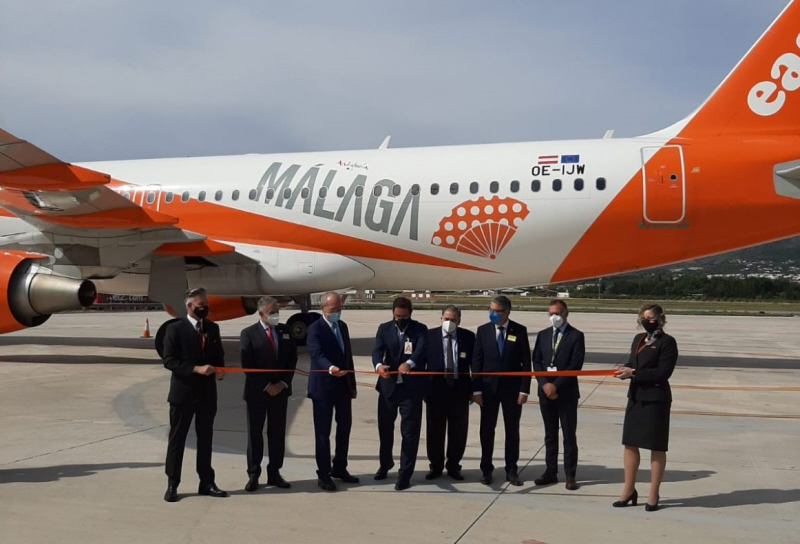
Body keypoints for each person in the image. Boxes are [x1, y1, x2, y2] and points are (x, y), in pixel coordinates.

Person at [162, 287, 227, 502]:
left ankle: (206, 481)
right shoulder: (175, 329)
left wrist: (220, 371)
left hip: (207, 394)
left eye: (206, 304)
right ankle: (173, 483)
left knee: (206, 439)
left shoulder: (212, 328)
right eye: (201, 305)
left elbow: (218, 357)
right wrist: (195, 369)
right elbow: (169, 361)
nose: (205, 308)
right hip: (183, 393)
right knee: (177, 439)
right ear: (189, 306)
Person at [613, 304, 678, 512]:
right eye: (642, 317)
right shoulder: (639, 339)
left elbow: (663, 372)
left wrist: (633, 373)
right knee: (630, 444)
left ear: (659, 319)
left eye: (649, 318)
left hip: (656, 399)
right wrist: (625, 369)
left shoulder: (667, 342)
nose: (645, 321)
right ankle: (628, 489)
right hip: (636, 397)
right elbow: (633, 363)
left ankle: (653, 493)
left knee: (656, 446)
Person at [240, 296, 298, 492]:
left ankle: (275, 472)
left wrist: (283, 383)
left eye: (277, 312)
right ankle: (253, 473)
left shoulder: (285, 331)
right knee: (255, 434)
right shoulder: (248, 333)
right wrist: (266, 385)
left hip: (280, 391)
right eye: (272, 313)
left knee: (277, 433)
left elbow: (292, 360)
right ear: (261, 314)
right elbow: (247, 364)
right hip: (257, 392)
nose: (276, 316)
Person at [472, 295, 532, 486]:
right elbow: (477, 362)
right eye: (491, 310)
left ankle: (511, 469)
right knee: (487, 430)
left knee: (512, 430)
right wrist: (476, 390)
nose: (493, 314)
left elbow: (526, 363)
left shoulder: (519, 330)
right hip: (488, 389)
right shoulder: (483, 331)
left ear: (507, 312)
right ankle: (486, 469)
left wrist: (524, 390)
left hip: (512, 390)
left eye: (497, 311)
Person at [372, 296, 428, 490]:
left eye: (403, 317)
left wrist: (409, 364)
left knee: (409, 433)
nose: (400, 320)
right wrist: (379, 366)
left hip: (410, 390)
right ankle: (385, 464)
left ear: (410, 314)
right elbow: (377, 351)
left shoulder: (420, 329)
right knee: (385, 430)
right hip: (388, 388)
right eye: (397, 316)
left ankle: (405, 473)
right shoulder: (384, 329)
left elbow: (421, 351)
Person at [306, 292, 359, 492]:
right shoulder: (315, 328)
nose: (337, 312)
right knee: (323, 433)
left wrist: (352, 384)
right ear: (323, 309)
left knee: (344, 428)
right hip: (323, 388)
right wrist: (331, 368)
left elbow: (348, 357)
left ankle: (340, 467)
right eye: (333, 309)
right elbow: (316, 354)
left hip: (343, 386)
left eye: (339, 308)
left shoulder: (342, 326)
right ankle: (324, 473)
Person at [531, 299, 585, 490]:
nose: (554, 317)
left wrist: (556, 386)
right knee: (550, 434)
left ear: (566, 313)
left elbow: (575, 365)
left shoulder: (576, 336)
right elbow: (537, 361)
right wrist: (545, 384)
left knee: (569, 435)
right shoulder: (543, 335)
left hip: (566, 393)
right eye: (551, 314)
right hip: (545, 392)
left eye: (558, 313)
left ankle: (570, 475)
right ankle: (550, 471)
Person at [423, 305, 475, 481]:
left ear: (459, 321)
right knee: (434, 431)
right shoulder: (429, 336)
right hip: (435, 391)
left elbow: (475, 365)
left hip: (459, 392)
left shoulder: (468, 337)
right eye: (446, 319)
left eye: (453, 320)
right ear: (441, 319)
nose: (449, 322)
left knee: (458, 432)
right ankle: (435, 466)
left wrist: (473, 390)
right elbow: (421, 362)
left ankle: (454, 466)